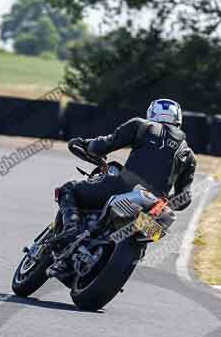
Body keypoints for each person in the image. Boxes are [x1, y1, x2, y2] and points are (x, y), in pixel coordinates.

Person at [57, 98, 197, 236]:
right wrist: (163, 204)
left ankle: (71, 227)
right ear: (178, 119)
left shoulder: (141, 125)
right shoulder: (189, 155)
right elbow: (183, 198)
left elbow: (101, 146)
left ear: (152, 114)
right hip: (152, 209)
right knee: (151, 233)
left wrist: (86, 144)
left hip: (122, 188)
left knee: (68, 189)